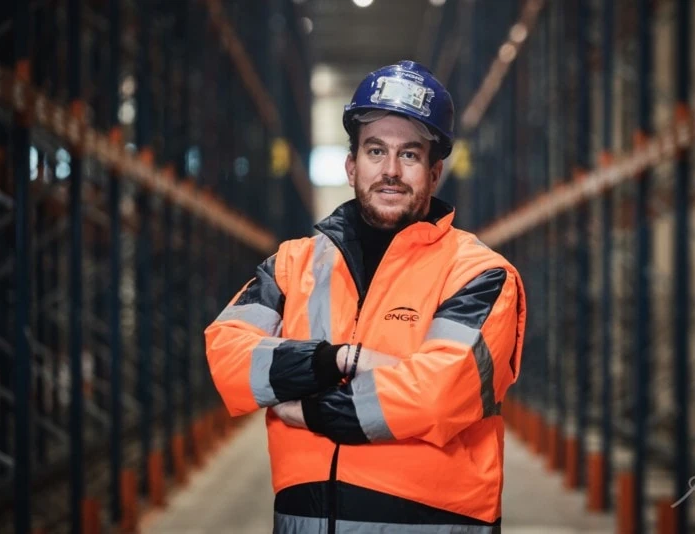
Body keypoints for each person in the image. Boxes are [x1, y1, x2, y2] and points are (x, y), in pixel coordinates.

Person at [205, 60, 526, 533]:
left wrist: (311, 409)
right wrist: (338, 359)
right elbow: (228, 359)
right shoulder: (293, 265)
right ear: (352, 165)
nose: (391, 171)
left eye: (410, 155)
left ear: (435, 172)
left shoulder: (479, 273)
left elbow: (437, 395)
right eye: (376, 151)